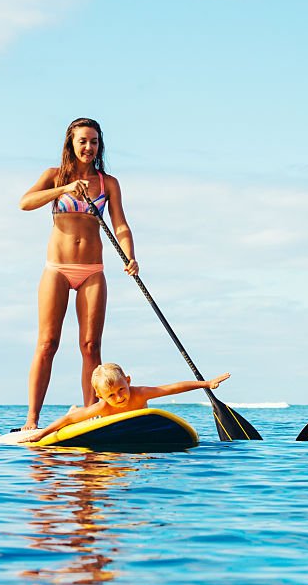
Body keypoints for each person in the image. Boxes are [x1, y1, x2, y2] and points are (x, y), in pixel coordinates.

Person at [18, 117, 139, 430]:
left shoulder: (108, 183)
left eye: (94, 141)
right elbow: (25, 203)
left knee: (90, 346)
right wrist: (65, 187)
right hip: (57, 269)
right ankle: (32, 419)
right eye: (82, 140)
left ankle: (92, 415)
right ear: (70, 143)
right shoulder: (53, 175)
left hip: (92, 271)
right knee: (47, 343)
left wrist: (130, 255)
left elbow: (120, 225)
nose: (89, 147)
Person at [22, 363, 231, 443]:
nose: (119, 397)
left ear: (128, 382)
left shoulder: (139, 393)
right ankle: (78, 408)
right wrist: (40, 435)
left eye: (122, 389)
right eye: (111, 395)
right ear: (100, 396)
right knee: (79, 416)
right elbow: (67, 420)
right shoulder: (104, 406)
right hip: (102, 421)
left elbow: (173, 387)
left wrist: (206, 383)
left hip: (137, 429)